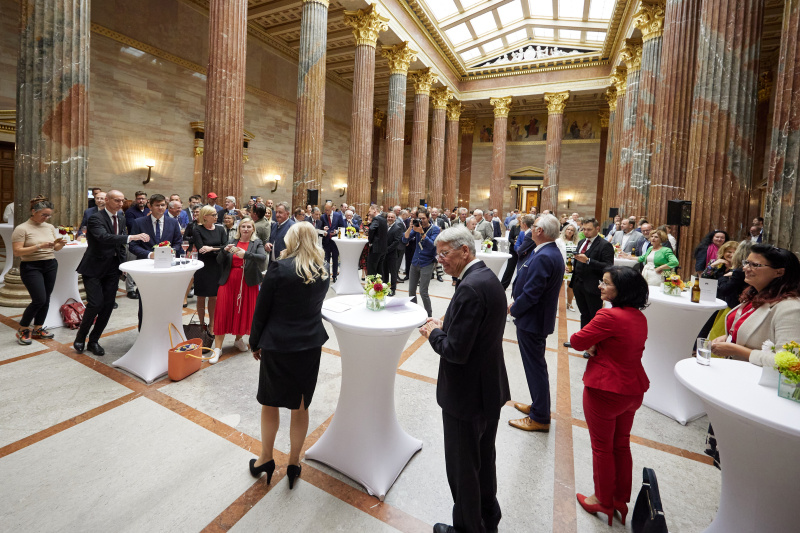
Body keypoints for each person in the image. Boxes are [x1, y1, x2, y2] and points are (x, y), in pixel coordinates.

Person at [419, 227, 510, 533]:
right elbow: (478, 329)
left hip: (466, 396)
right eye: (438, 253)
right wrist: (450, 323)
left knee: (463, 470)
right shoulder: (486, 278)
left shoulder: (470, 288)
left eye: (445, 253)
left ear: (465, 251)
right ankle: (487, 520)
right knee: (483, 462)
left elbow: (455, 351)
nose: (439, 259)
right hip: (487, 389)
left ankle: (468, 528)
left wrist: (434, 332)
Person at [248, 223, 330, 489]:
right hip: (309, 345)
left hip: (278, 344)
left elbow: (262, 310)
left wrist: (254, 341)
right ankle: (294, 463)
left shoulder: (280, 269)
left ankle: (266, 458)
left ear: (291, 239)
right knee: (301, 403)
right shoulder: (323, 271)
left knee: (270, 402)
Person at [570, 266, 650, 526]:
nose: (600, 287)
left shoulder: (609, 316)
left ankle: (602, 499)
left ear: (622, 290)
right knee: (621, 444)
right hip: (632, 389)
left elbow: (577, 340)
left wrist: (594, 345)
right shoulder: (638, 316)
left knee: (602, 447)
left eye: (606, 283)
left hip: (606, 389)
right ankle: (619, 499)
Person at [75, 190, 150, 355]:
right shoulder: (96, 218)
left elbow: (119, 247)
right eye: (117, 200)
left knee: (108, 306)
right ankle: (80, 337)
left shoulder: (121, 218)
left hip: (112, 268)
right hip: (94, 267)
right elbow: (104, 237)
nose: (120, 204)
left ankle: (94, 340)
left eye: (122, 201)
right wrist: (131, 237)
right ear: (107, 200)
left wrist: (122, 266)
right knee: (95, 303)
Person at [508, 214, 564, 432]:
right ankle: (538, 406)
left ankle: (540, 416)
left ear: (540, 231)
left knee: (535, 368)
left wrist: (514, 308)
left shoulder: (544, 255)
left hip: (532, 320)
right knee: (535, 367)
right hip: (534, 319)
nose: (531, 229)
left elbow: (533, 293)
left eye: (534, 226)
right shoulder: (546, 251)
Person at [710, 244, 800, 367]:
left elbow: (790, 362)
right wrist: (730, 337)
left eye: (755, 265)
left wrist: (738, 350)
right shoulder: (755, 296)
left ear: (779, 272)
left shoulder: (790, 308)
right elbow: (755, 332)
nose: (745, 268)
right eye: (746, 263)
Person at [210, 218, 267, 363]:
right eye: (243, 226)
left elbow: (262, 258)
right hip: (229, 280)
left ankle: (238, 339)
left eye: (249, 226)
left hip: (248, 282)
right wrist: (224, 250)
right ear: (239, 228)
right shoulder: (232, 241)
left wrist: (246, 254)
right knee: (222, 311)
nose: (246, 229)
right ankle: (217, 348)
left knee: (243, 312)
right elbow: (219, 260)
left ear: (253, 229)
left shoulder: (257, 243)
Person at [12, 196, 65, 344]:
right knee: (39, 299)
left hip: (50, 264)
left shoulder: (49, 227)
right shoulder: (22, 228)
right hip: (31, 266)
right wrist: (39, 246)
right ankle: (23, 328)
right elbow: (17, 252)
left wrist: (60, 244)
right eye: (44, 215)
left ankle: (38, 327)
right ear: (34, 211)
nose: (47, 218)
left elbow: (56, 248)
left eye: (49, 215)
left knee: (46, 298)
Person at [129, 194, 183, 328]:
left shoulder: (173, 222)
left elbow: (178, 242)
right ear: (150, 206)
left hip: (168, 268)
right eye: (157, 205)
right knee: (146, 300)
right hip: (147, 267)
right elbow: (133, 245)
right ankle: (144, 330)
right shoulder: (139, 222)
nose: (160, 208)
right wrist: (149, 254)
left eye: (163, 205)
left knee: (167, 300)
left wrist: (171, 251)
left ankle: (166, 329)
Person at [570, 218, 615, 331]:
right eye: (583, 229)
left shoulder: (605, 245)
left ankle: (593, 345)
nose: (585, 232)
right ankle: (583, 340)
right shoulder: (581, 242)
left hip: (593, 285)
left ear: (597, 229)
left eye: (589, 229)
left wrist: (589, 261)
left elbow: (608, 266)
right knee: (584, 313)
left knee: (594, 316)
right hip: (578, 284)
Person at [193, 205, 229, 334]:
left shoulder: (220, 229)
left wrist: (211, 249)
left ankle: (212, 324)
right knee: (201, 296)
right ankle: (201, 324)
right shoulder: (197, 229)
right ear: (205, 217)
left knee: (214, 296)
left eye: (216, 214)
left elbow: (226, 247)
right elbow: (201, 249)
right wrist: (216, 249)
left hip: (217, 265)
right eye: (213, 215)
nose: (216, 216)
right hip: (203, 266)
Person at [402, 207, 440, 317]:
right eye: (419, 218)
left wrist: (422, 233)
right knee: (411, 291)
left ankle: (429, 316)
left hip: (427, 263)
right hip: (415, 262)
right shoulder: (416, 227)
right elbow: (404, 240)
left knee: (423, 291)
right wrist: (410, 228)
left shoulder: (435, 229)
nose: (421, 221)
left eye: (423, 218)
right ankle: (414, 313)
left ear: (428, 218)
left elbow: (432, 245)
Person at [123, 190, 150, 299]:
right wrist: (146, 218)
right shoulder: (130, 212)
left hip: (146, 242)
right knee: (132, 265)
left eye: (143, 198)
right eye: (139, 198)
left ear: (146, 200)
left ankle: (140, 288)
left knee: (144, 266)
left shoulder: (148, 210)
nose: (141, 200)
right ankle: (130, 289)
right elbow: (131, 224)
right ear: (136, 200)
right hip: (134, 241)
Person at [557, 223, 580, 311]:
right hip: (562, 264)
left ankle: (569, 304)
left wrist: (574, 265)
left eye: (572, 230)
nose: (570, 231)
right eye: (568, 229)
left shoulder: (577, 242)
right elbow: (557, 254)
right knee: (559, 284)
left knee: (571, 285)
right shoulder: (559, 241)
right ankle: (555, 303)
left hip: (572, 265)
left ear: (574, 232)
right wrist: (564, 264)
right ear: (565, 230)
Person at [321, 202, 344, 282]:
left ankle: (334, 276)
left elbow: (342, 227)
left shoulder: (338, 215)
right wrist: (323, 229)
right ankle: (327, 276)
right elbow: (320, 228)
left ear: (332, 209)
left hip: (335, 242)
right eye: (325, 210)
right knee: (326, 259)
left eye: (328, 210)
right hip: (326, 241)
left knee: (335, 259)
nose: (326, 212)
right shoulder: (323, 216)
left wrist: (336, 231)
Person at [385, 211, 405, 293]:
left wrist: (387, 249)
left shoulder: (397, 227)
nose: (390, 218)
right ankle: (385, 287)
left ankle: (393, 289)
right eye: (388, 217)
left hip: (392, 253)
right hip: (384, 254)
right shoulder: (385, 227)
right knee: (385, 271)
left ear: (395, 218)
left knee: (393, 273)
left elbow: (396, 241)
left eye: (391, 217)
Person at [366, 205, 388, 277]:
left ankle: (371, 286)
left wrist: (370, 241)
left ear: (374, 210)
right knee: (379, 270)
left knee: (371, 269)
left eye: (369, 211)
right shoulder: (384, 219)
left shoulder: (376, 219)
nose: (368, 213)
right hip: (383, 248)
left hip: (376, 248)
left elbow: (372, 229)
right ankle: (378, 286)